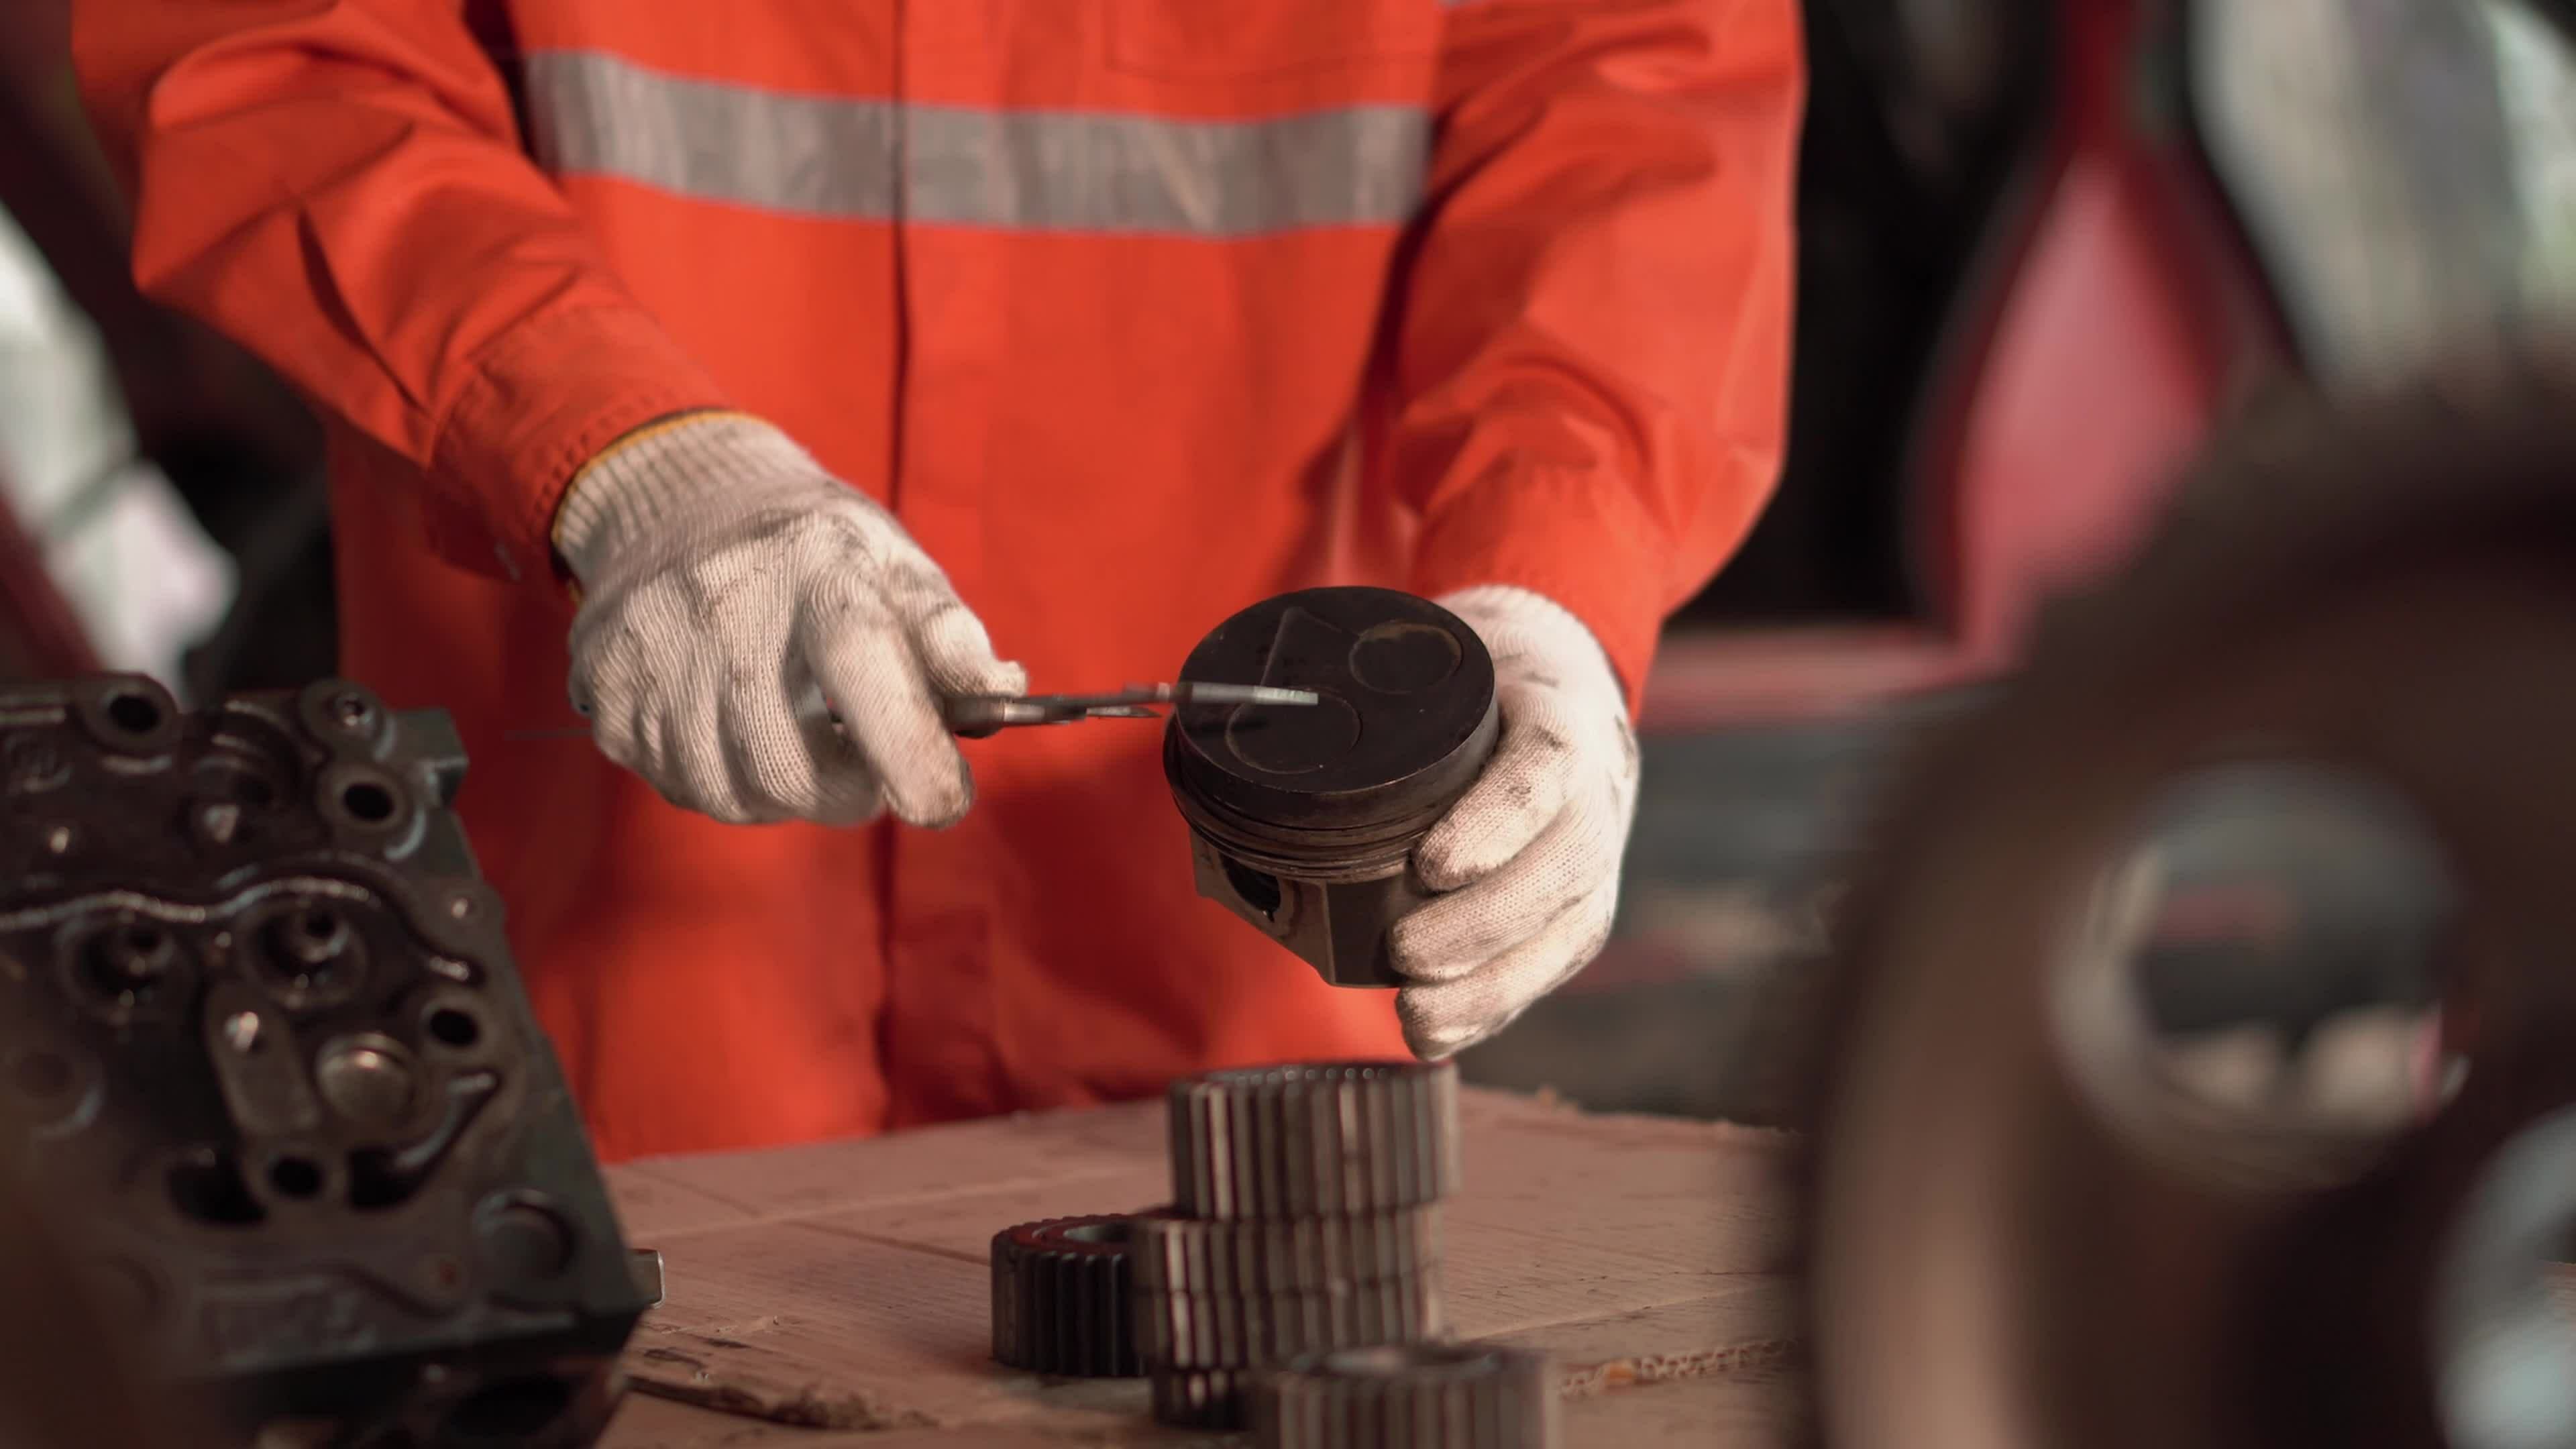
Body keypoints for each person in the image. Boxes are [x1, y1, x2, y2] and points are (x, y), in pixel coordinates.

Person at [70, 1, 1803, 1161]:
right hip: (614, 981)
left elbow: (1637, 86)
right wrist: (605, 444)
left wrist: (1557, 575)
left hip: (1246, 998)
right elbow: (268, 49)